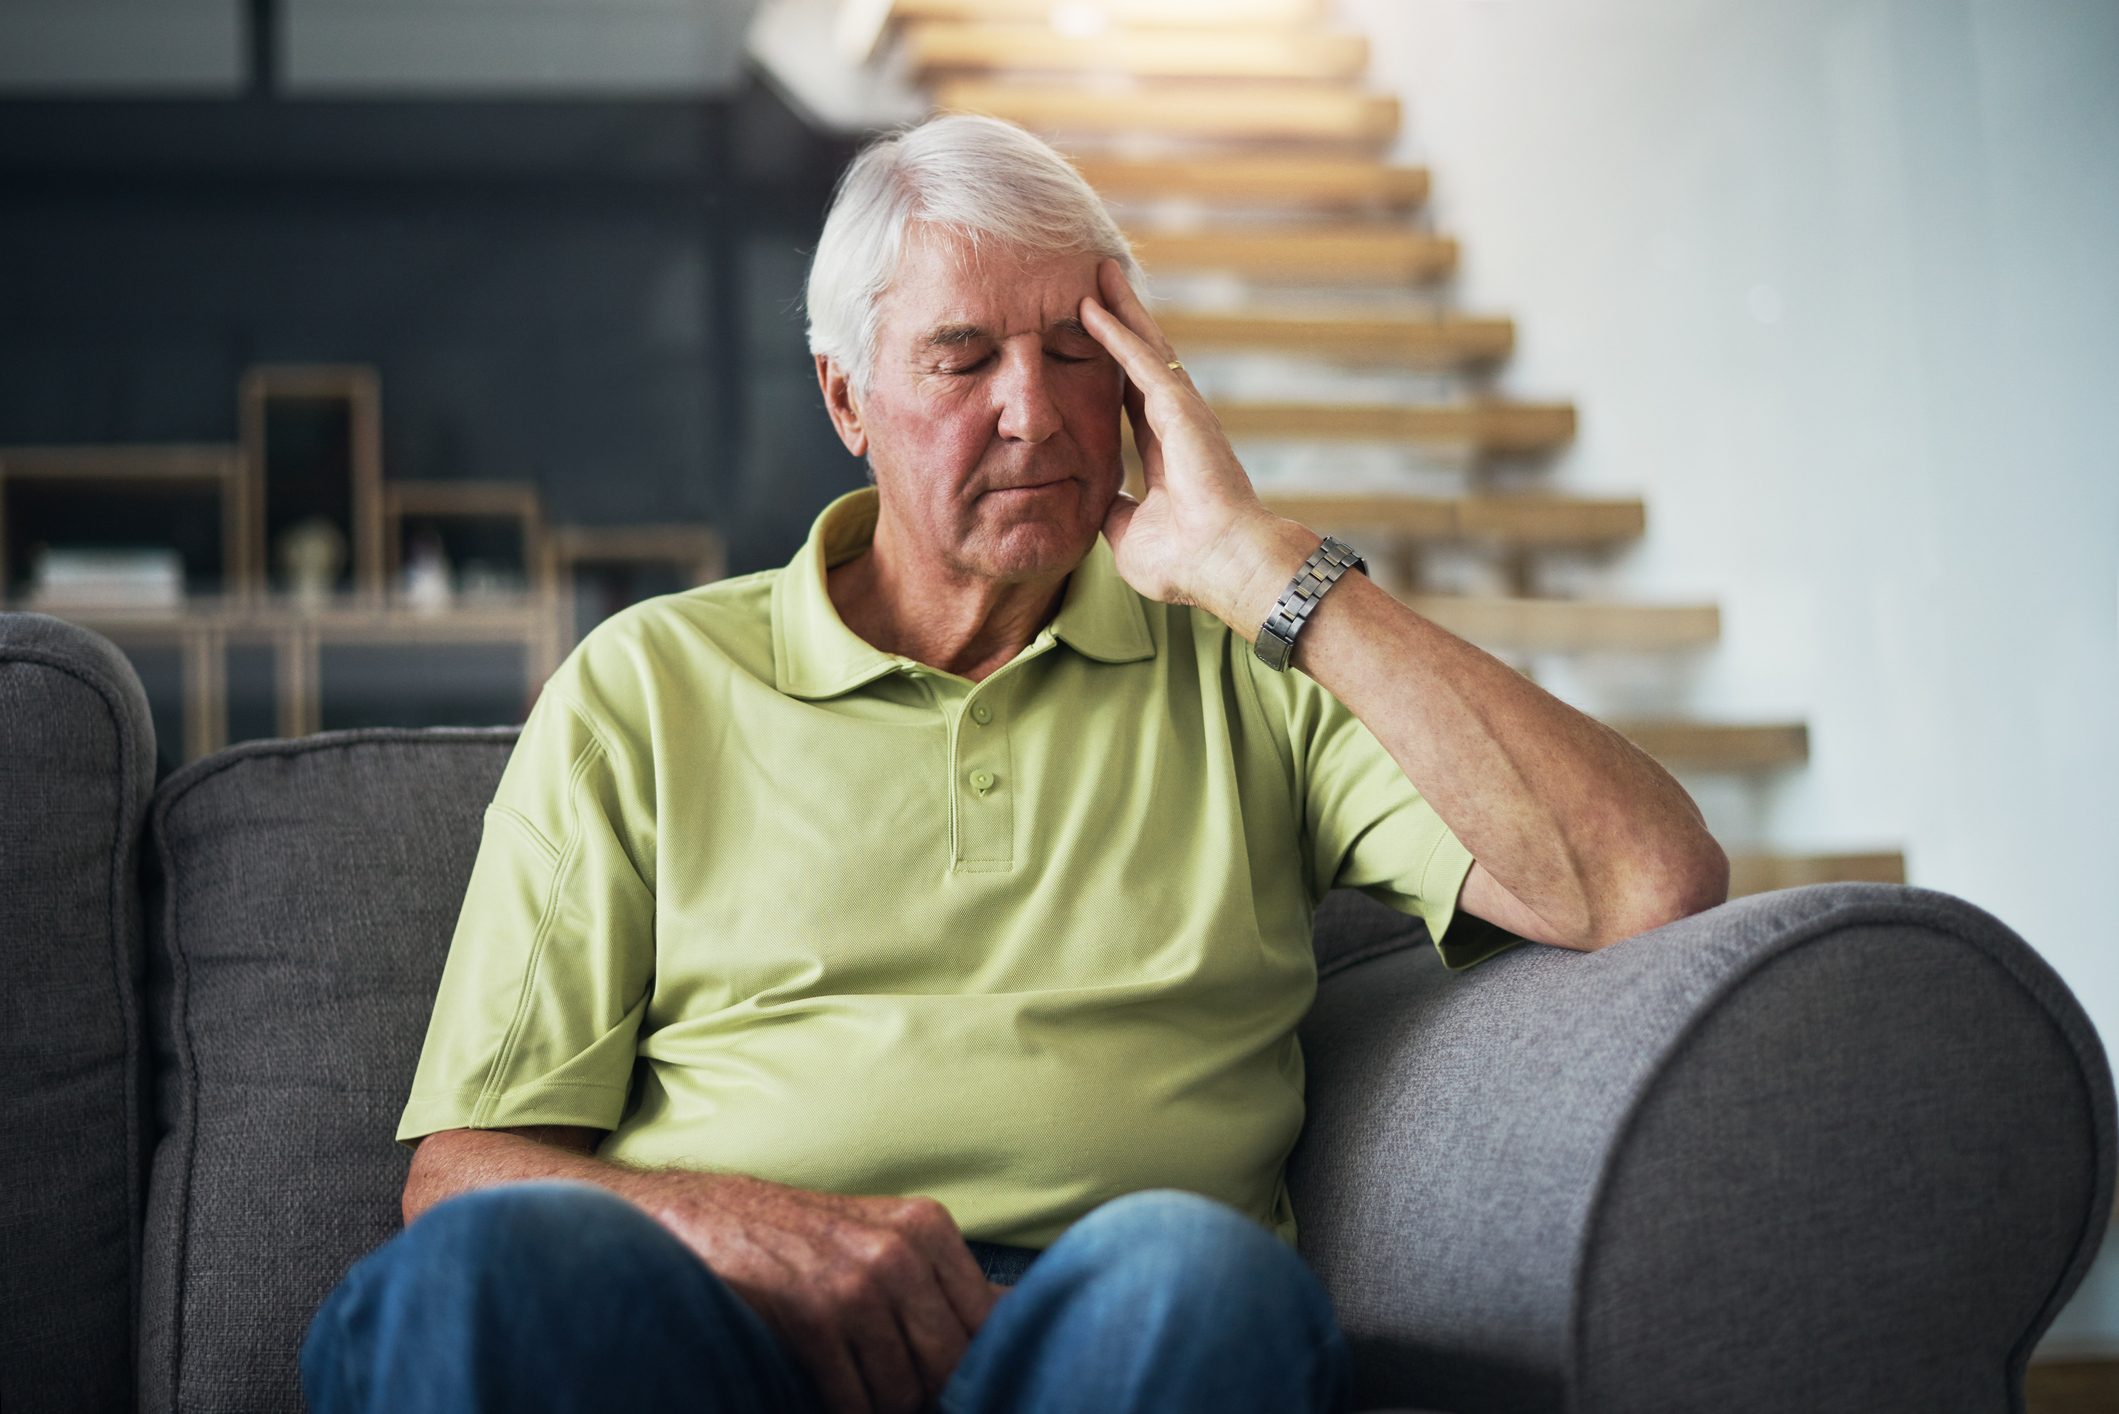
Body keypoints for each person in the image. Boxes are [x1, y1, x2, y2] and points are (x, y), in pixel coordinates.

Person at [299, 113, 1729, 1414]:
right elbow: (462, 1171)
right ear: (847, 398)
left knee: (1199, 1274)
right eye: (965, 355)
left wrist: (1262, 564)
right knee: (476, 1283)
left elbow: (1645, 882)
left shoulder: (1253, 663)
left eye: (1075, 352)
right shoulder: (646, 684)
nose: (1034, 412)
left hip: (1096, 1337)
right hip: (717, 1326)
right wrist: (749, 1226)